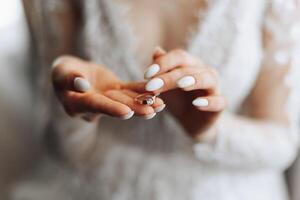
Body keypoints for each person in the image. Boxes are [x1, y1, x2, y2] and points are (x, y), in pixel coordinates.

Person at [17, 0, 300, 199]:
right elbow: (64, 150)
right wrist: (74, 112)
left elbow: (284, 141)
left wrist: (211, 131)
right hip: (97, 186)